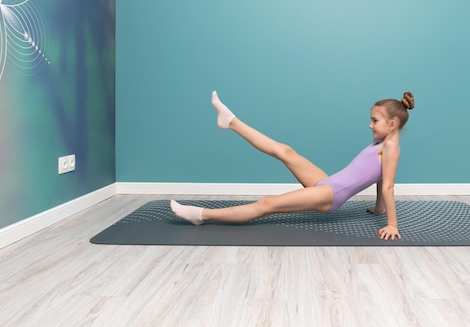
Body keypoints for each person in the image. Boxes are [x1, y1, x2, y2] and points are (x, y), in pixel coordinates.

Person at [171, 90, 415, 241]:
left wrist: (391, 224)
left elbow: (388, 186)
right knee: (285, 150)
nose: (370, 125)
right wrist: (379, 209)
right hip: (328, 184)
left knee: (266, 205)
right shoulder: (382, 144)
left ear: (392, 124)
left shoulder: (391, 148)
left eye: (374, 120)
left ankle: (201, 216)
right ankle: (230, 121)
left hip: (331, 195)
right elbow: (380, 177)